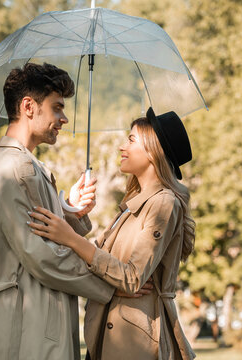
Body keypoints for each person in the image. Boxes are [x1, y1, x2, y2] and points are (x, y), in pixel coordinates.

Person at [0, 63, 151, 360]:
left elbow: (42, 234)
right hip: (24, 328)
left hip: (36, 318)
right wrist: (112, 287)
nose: (64, 119)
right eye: (57, 108)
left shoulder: (26, 165)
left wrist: (71, 212)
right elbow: (41, 257)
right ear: (29, 106)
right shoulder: (15, 168)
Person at [28, 107, 197, 360]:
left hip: (135, 343)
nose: (122, 147)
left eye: (131, 140)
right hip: (109, 335)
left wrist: (70, 238)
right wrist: (73, 213)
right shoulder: (133, 204)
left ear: (153, 151)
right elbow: (100, 262)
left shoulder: (164, 203)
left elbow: (130, 278)